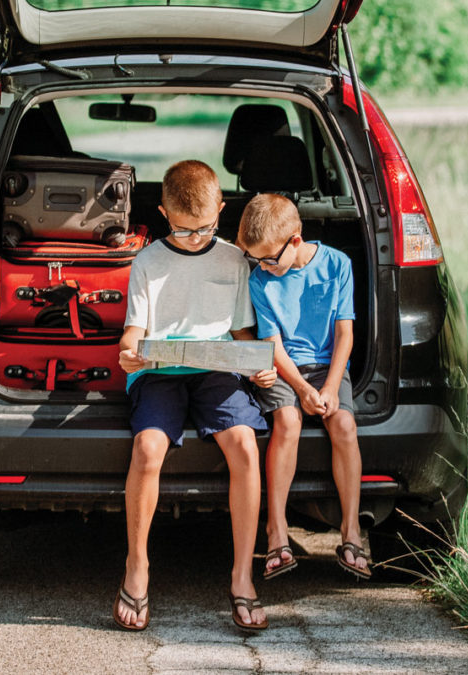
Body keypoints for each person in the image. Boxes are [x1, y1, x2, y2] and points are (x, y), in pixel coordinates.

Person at [115, 160, 275, 632]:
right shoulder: (148, 262)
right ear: (164, 214)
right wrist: (129, 356)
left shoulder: (232, 258)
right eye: (185, 232)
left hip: (218, 369)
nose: (196, 238)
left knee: (245, 445)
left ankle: (243, 575)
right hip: (159, 372)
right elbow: (132, 335)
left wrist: (258, 364)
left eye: (205, 229)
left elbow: (243, 332)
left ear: (222, 211)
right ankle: (137, 566)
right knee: (147, 448)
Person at [237, 193, 371, 582]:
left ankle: (350, 532)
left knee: (344, 426)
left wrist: (329, 388)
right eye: (256, 259)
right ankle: (276, 529)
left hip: (328, 366)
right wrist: (301, 387)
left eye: (268, 258)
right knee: (288, 421)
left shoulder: (337, 265)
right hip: (283, 367)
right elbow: (272, 344)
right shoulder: (261, 277)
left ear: (295, 240)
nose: (262, 267)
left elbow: (345, 333)